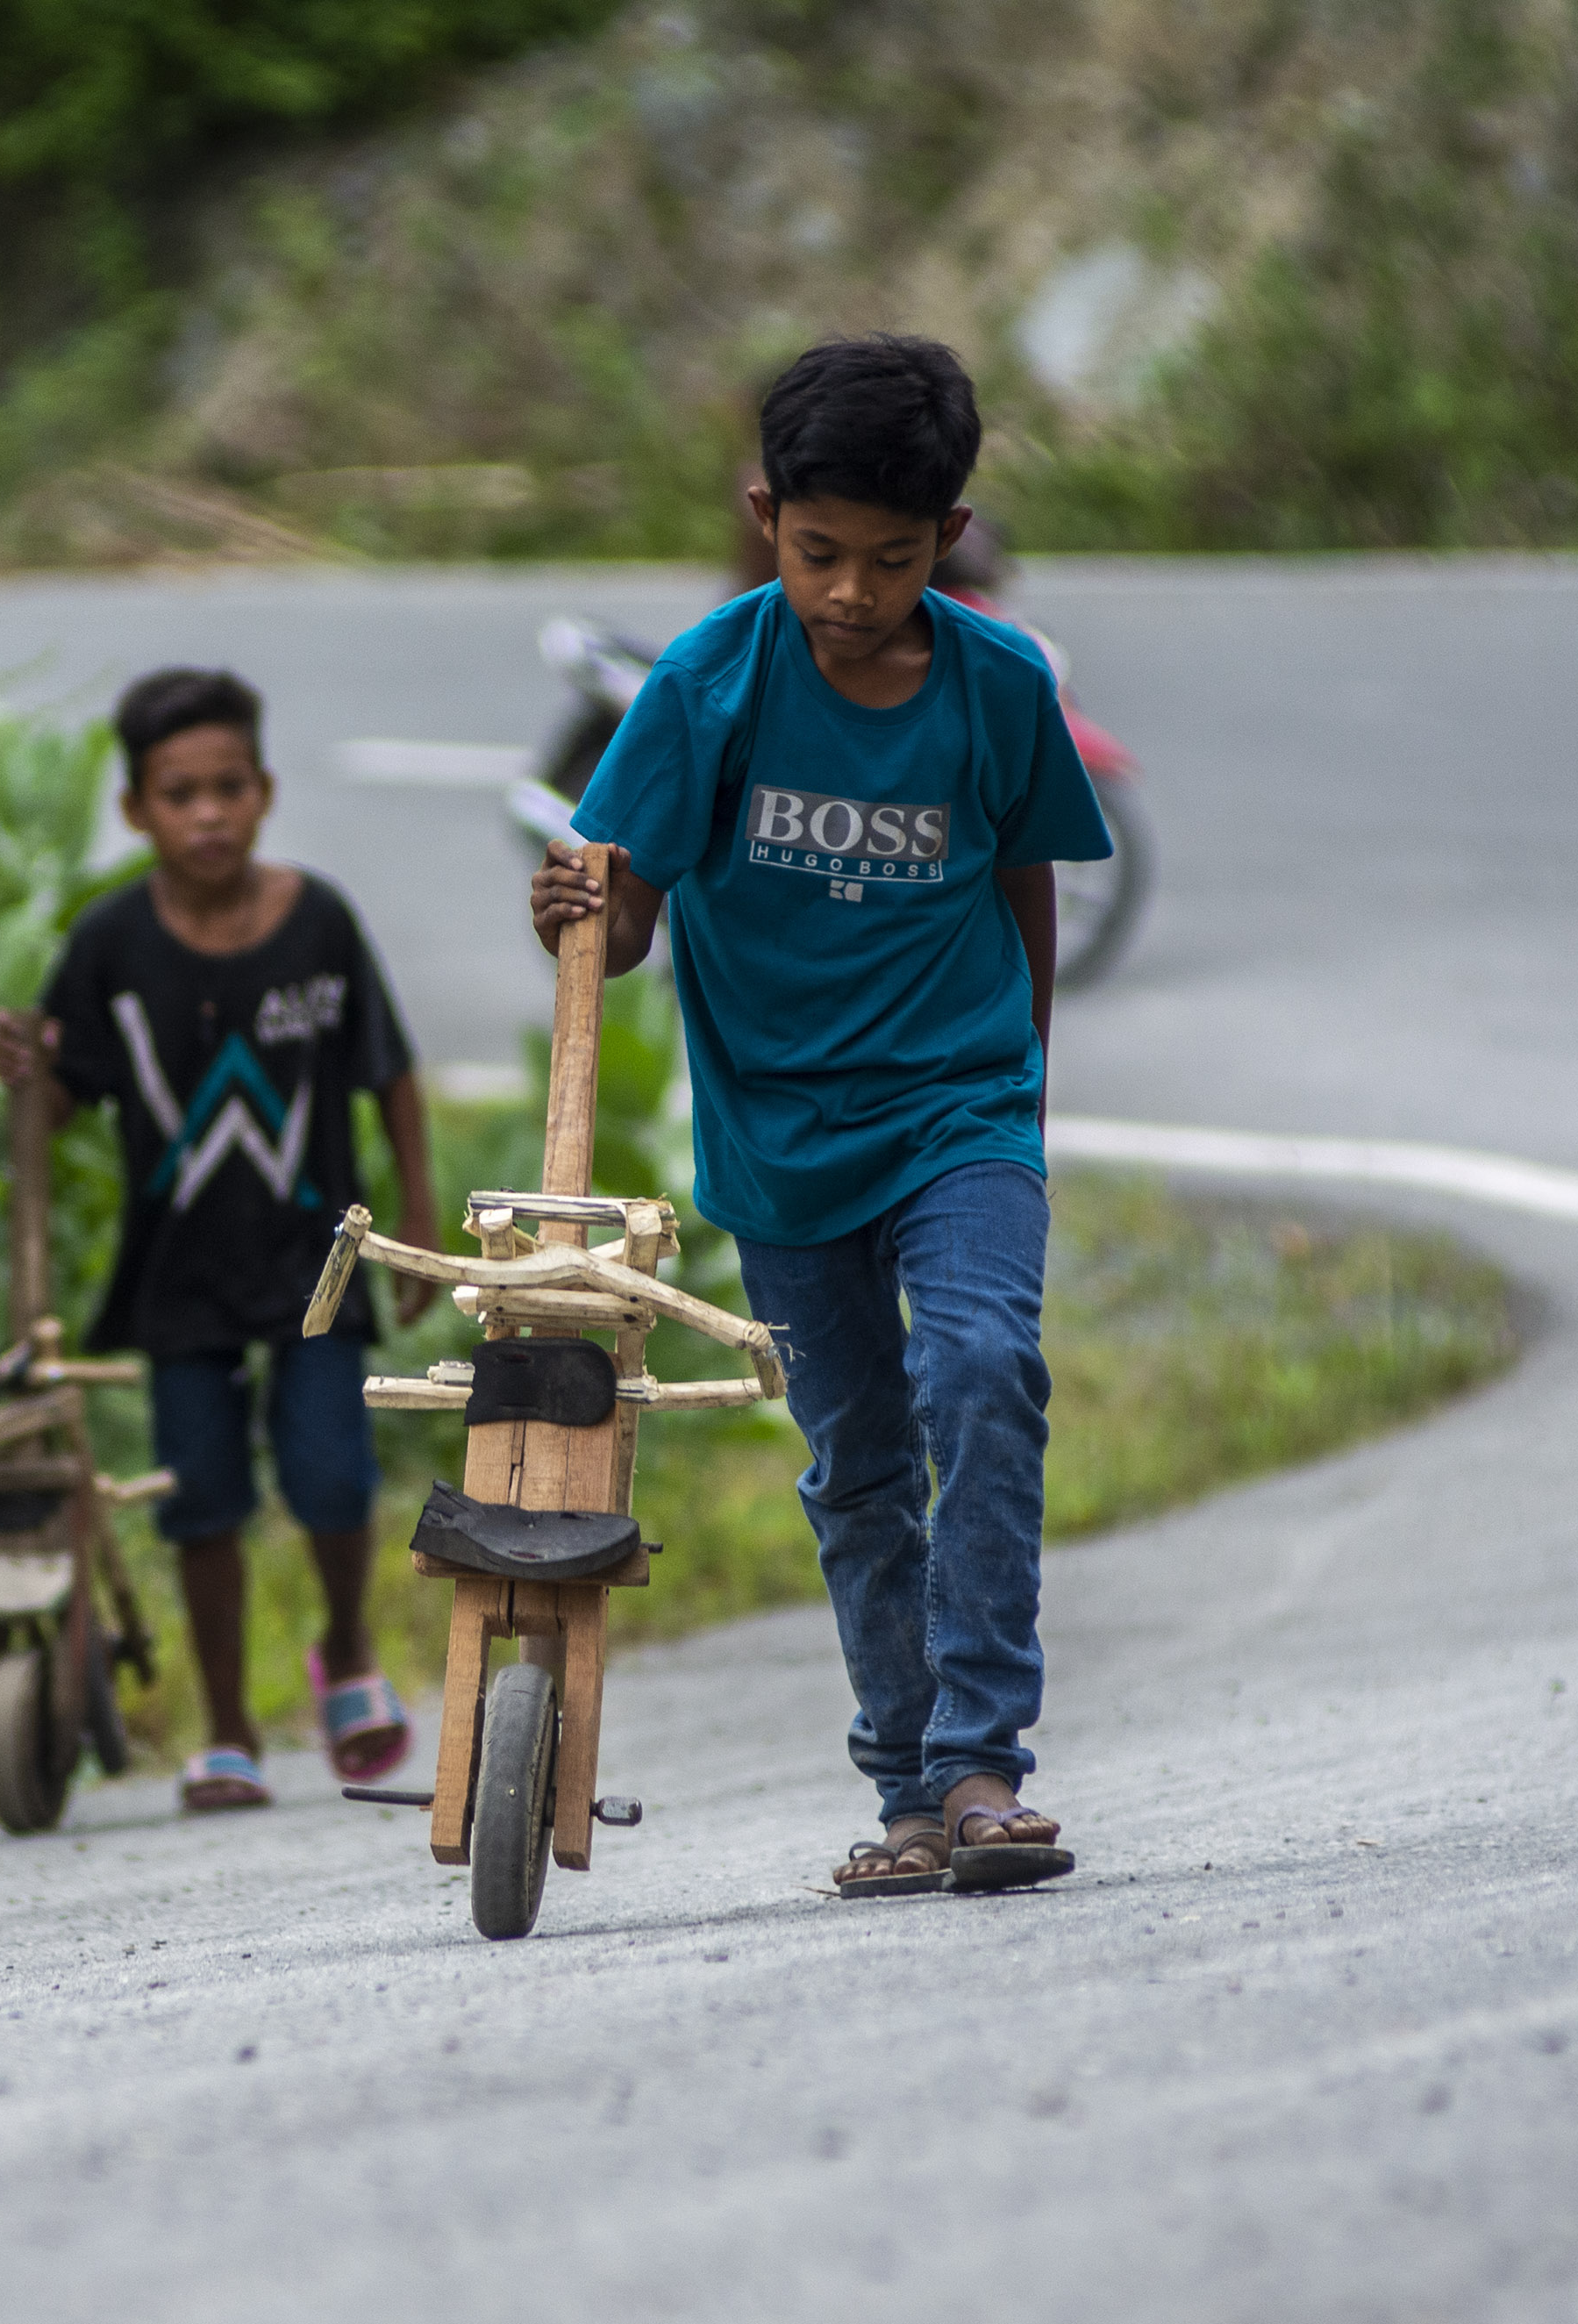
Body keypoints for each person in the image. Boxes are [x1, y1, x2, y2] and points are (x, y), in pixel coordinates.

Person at [530, 334, 1111, 1896]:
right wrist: (586, 905)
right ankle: (910, 1787)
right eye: (819, 554)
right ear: (764, 513)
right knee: (858, 1460)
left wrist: (1023, 1092)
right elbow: (633, 913)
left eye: (895, 559)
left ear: (954, 537)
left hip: (960, 1109)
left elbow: (1025, 877)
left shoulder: (996, 684)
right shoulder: (709, 681)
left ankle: (986, 1761)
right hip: (781, 1140)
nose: (853, 593)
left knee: (984, 1369)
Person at [0, 669, 439, 1813]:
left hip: (318, 1263)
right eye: (178, 793)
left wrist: (422, 1216)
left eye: (228, 788)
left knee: (334, 1475)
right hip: (177, 1274)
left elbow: (388, 1073)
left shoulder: (320, 923)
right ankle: (229, 1725)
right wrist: (29, 1074)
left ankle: (345, 1652)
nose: (207, 814)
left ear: (266, 791)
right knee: (202, 1500)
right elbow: (59, 1103)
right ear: (136, 807)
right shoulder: (108, 945)